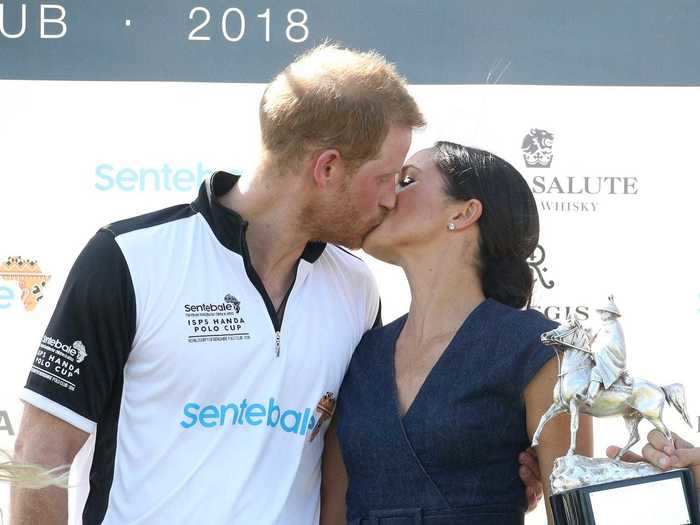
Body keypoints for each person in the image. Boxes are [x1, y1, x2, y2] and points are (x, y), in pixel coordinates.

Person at [11, 46, 542, 524]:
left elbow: (362, 455)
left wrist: (504, 460)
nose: (389, 199)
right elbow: (40, 453)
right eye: (385, 178)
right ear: (328, 168)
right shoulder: (130, 257)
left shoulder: (356, 287)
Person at [321, 142, 593, 525]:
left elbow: (574, 514)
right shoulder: (360, 354)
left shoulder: (546, 350)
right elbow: (332, 511)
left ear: (464, 212)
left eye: (406, 181)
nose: (385, 195)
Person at [584, 295, 627, 405]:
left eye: (604, 312)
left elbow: (614, 344)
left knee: (596, 371)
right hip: (603, 355)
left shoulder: (614, 326)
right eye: (602, 312)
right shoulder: (604, 325)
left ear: (610, 314)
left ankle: (591, 398)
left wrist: (597, 352)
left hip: (612, 360)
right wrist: (589, 336)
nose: (602, 314)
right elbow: (596, 340)